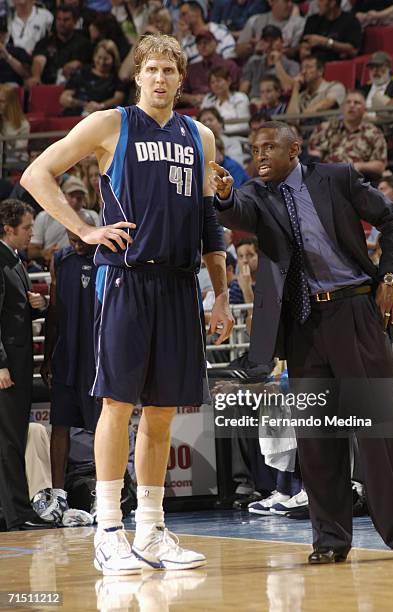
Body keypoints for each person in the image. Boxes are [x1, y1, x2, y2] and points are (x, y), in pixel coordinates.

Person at [21, 33, 233, 574]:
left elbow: (210, 223)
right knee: (117, 404)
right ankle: (108, 528)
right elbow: (36, 174)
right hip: (125, 279)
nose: (160, 78)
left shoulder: (200, 136)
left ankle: (153, 530)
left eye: (170, 70)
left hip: (181, 285)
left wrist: (223, 297)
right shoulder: (109, 124)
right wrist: (84, 230)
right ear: (137, 76)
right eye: (152, 69)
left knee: (162, 411)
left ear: (182, 80)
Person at [210, 120, 393, 562]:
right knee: (317, 439)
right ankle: (329, 541)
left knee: (378, 433)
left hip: (355, 313)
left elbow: (391, 217)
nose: (260, 156)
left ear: (295, 150)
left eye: (270, 147)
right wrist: (225, 195)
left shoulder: (336, 178)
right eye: (254, 149)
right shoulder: (255, 193)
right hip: (304, 325)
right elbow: (237, 214)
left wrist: (390, 275)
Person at [40, 211, 102, 524]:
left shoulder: (108, 257)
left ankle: (104, 496)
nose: (76, 244)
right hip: (66, 354)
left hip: (97, 356)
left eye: (80, 238)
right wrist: (49, 353)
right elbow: (54, 309)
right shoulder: (60, 260)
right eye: (71, 238)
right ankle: (58, 495)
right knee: (60, 426)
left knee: (100, 427)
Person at [0, 199, 50, 531]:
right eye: (27, 228)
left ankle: (16, 510)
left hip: (19, 364)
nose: (32, 234)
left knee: (14, 438)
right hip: (7, 368)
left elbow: (15, 311)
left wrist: (39, 305)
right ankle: (16, 514)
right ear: (8, 229)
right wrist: (0, 364)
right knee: (9, 441)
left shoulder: (16, 260)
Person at [308, 90, 387, 180]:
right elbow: (314, 156)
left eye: (356, 103)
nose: (352, 105)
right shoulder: (326, 128)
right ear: (342, 108)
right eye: (348, 102)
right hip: (326, 178)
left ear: (364, 109)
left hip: (356, 181)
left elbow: (380, 166)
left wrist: (360, 166)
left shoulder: (374, 133)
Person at [28, 176, 99, 265]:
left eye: (79, 197)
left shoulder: (92, 216)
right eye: (72, 196)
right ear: (62, 195)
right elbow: (31, 251)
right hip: (50, 266)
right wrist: (44, 253)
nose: (75, 200)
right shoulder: (44, 217)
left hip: (87, 263)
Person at [26, 5, 90, 87]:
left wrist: (80, 65)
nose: (61, 23)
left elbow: (91, 67)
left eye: (66, 20)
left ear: (75, 22)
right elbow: (38, 60)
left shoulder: (84, 44)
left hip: (75, 87)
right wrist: (36, 77)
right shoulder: (44, 42)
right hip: (47, 85)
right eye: (59, 19)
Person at [60, 39, 126, 116]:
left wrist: (101, 106)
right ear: (94, 57)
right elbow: (64, 98)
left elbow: (118, 98)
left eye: (106, 59)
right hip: (75, 115)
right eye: (99, 57)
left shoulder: (117, 78)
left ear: (114, 59)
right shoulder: (81, 73)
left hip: (103, 117)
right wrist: (85, 105)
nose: (102, 62)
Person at [181, 29, 240, 107]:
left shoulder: (229, 65)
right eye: (199, 43)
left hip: (224, 105)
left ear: (216, 44)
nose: (203, 46)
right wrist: (191, 98)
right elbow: (179, 93)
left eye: (206, 42)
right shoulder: (191, 69)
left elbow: (236, 90)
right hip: (196, 107)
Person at [239, 25, 299, 101]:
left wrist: (277, 62)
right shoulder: (253, 64)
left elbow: (289, 88)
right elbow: (243, 90)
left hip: (278, 105)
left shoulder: (292, 65)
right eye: (266, 41)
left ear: (282, 42)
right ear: (262, 43)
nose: (270, 44)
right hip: (253, 103)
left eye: (274, 40)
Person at [200, 65, 250, 135]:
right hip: (211, 138)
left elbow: (245, 125)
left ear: (229, 81)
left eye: (218, 81)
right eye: (212, 82)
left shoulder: (240, 98)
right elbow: (201, 123)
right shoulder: (208, 99)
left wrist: (220, 130)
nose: (215, 84)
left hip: (236, 137)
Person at [0, 83, 30, 165]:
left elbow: (18, 152)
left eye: (2, 101)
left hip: (17, 160)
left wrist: (4, 142)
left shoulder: (23, 124)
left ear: (11, 104)